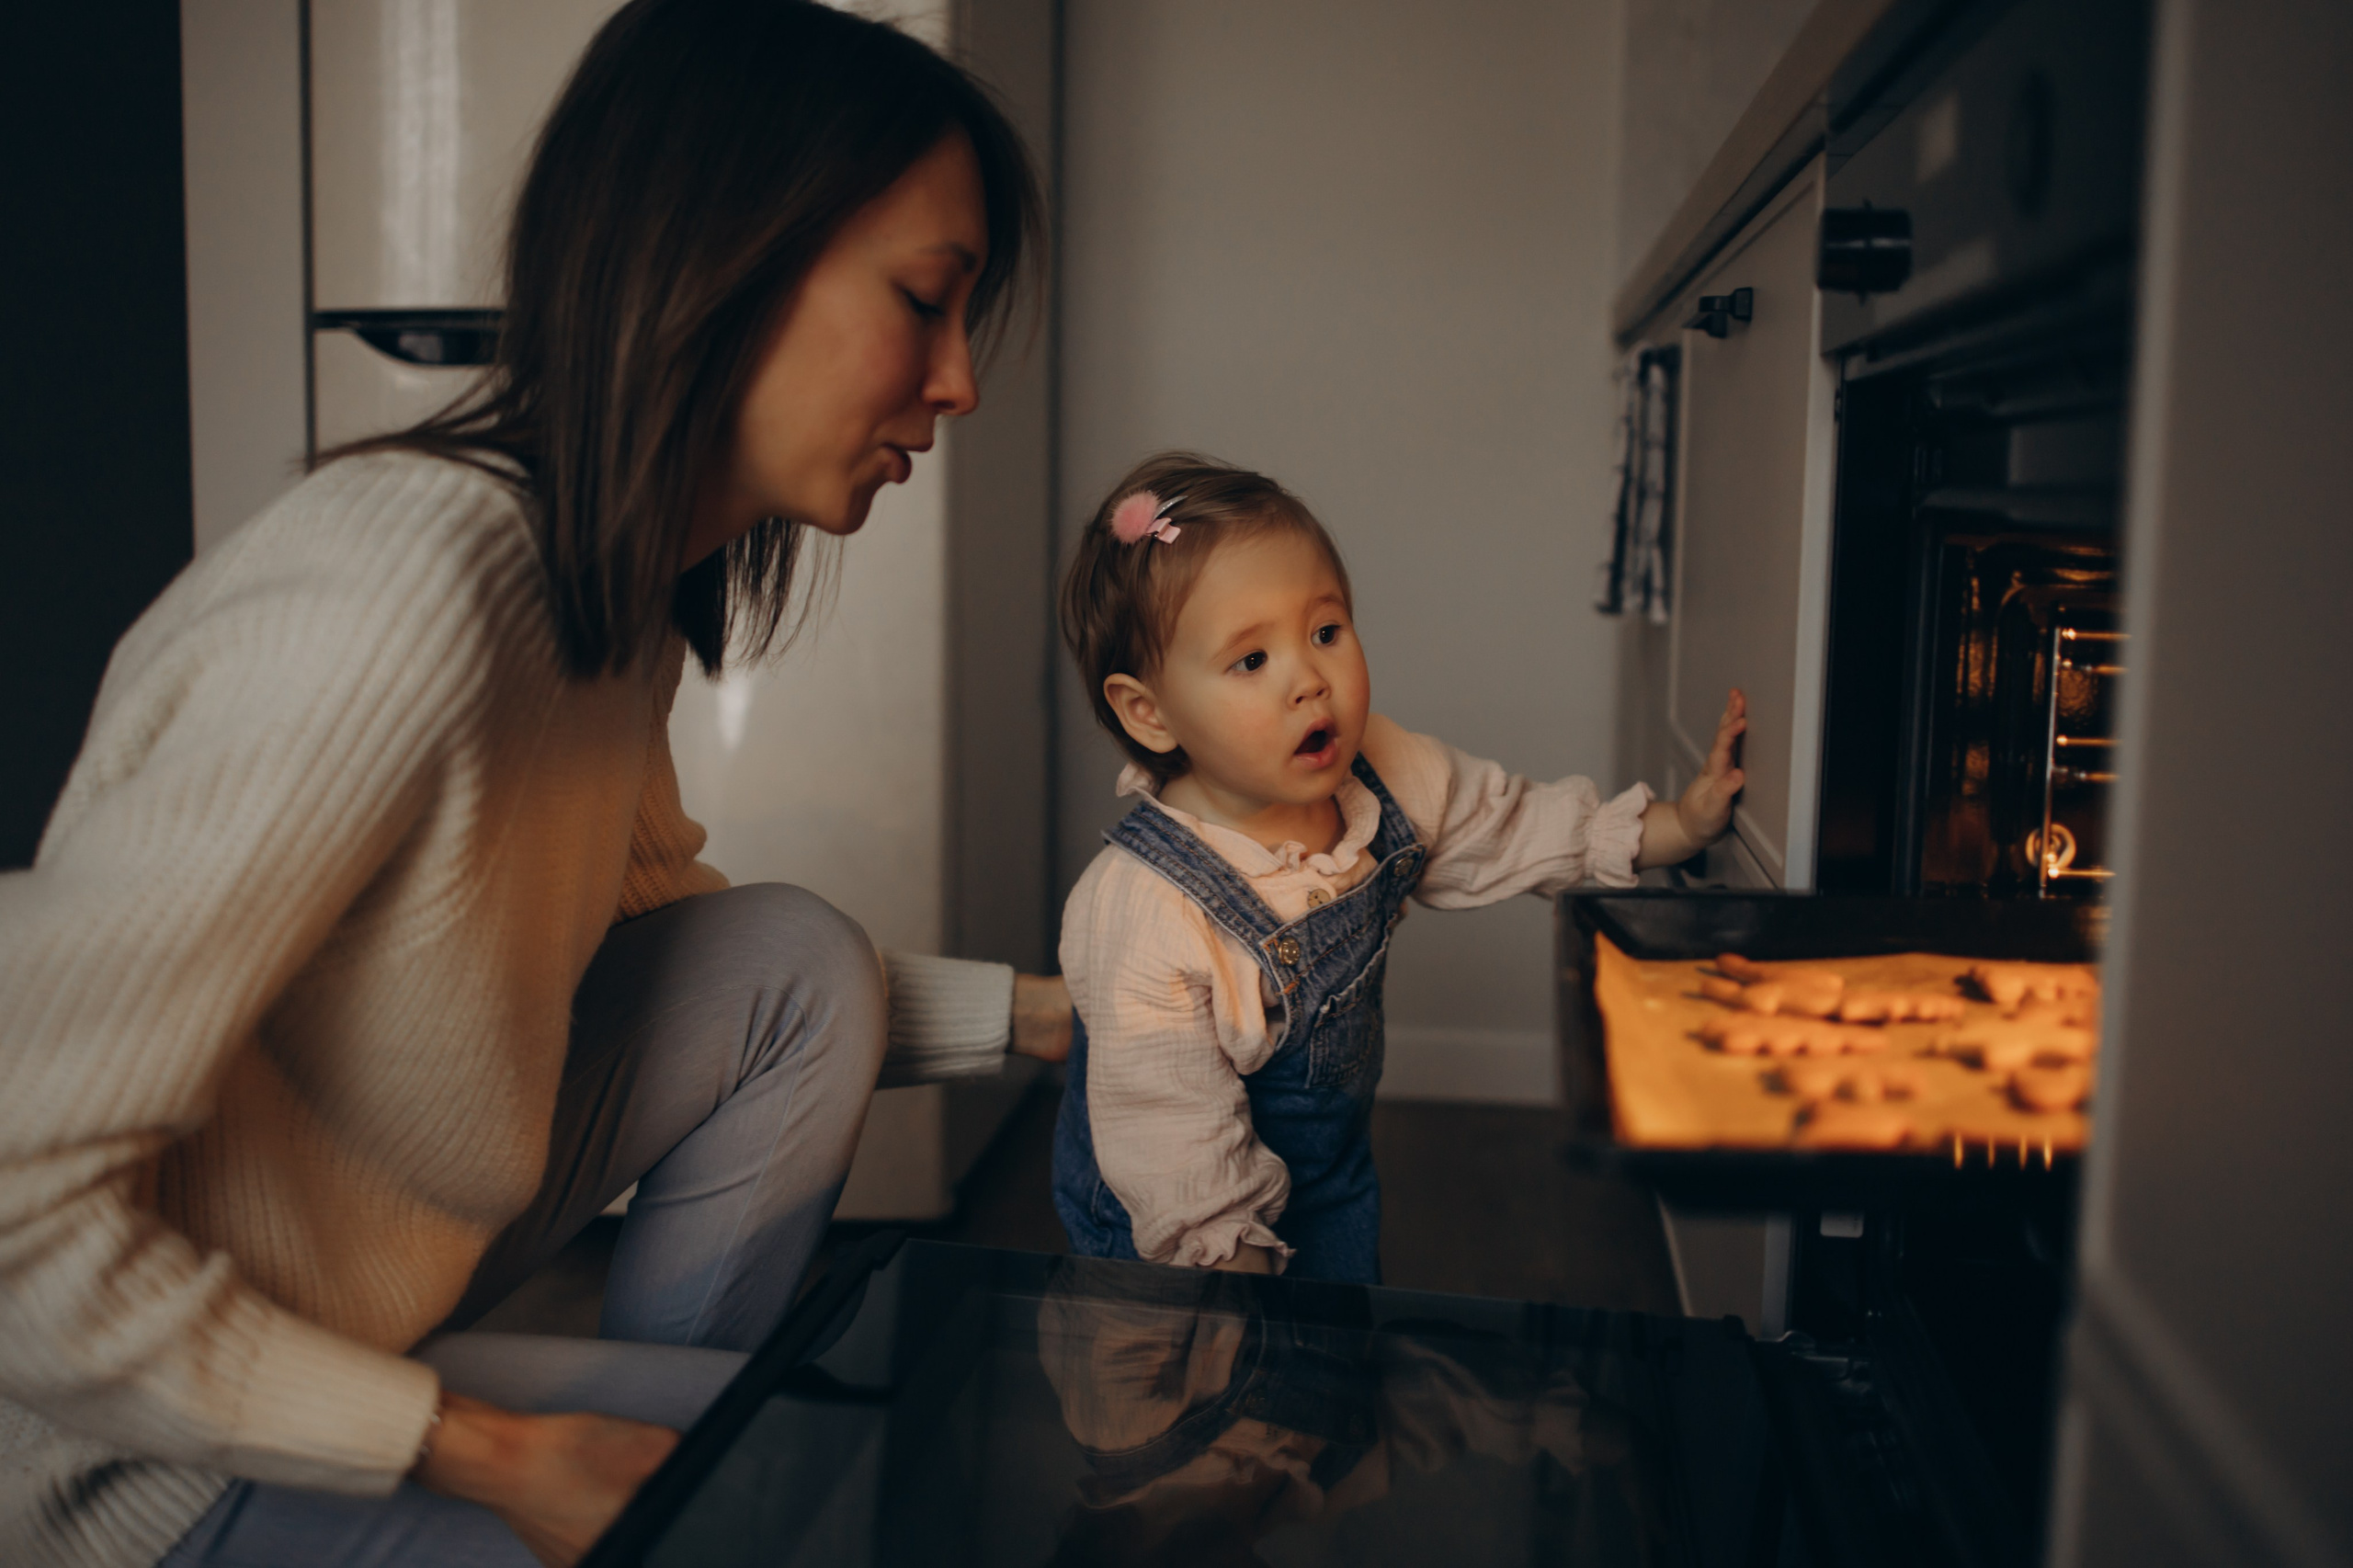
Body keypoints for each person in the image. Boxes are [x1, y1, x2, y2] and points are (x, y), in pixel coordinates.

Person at [0, 4, 1067, 1564]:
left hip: (371, 1323)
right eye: (925, 299)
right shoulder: (397, 596)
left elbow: (670, 961)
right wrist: (481, 1453)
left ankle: (656, 1482)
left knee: (789, 961)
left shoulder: (605, 598)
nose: (959, 380)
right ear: (723, 251)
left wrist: (1064, 1016)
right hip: (132, 1461)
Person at [1051, 453, 1746, 1284]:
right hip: (1180, 1240)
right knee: (1215, 1400)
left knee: (1337, 1370)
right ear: (1150, 713)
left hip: (1333, 1183)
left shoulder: (1387, 776)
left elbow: (1514, 824)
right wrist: (1240, 1305)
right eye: (1251, 661)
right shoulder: (1146, 906)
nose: (1310, 680)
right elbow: (1167, 1133)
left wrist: (1680, 824)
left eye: (1325, 632)